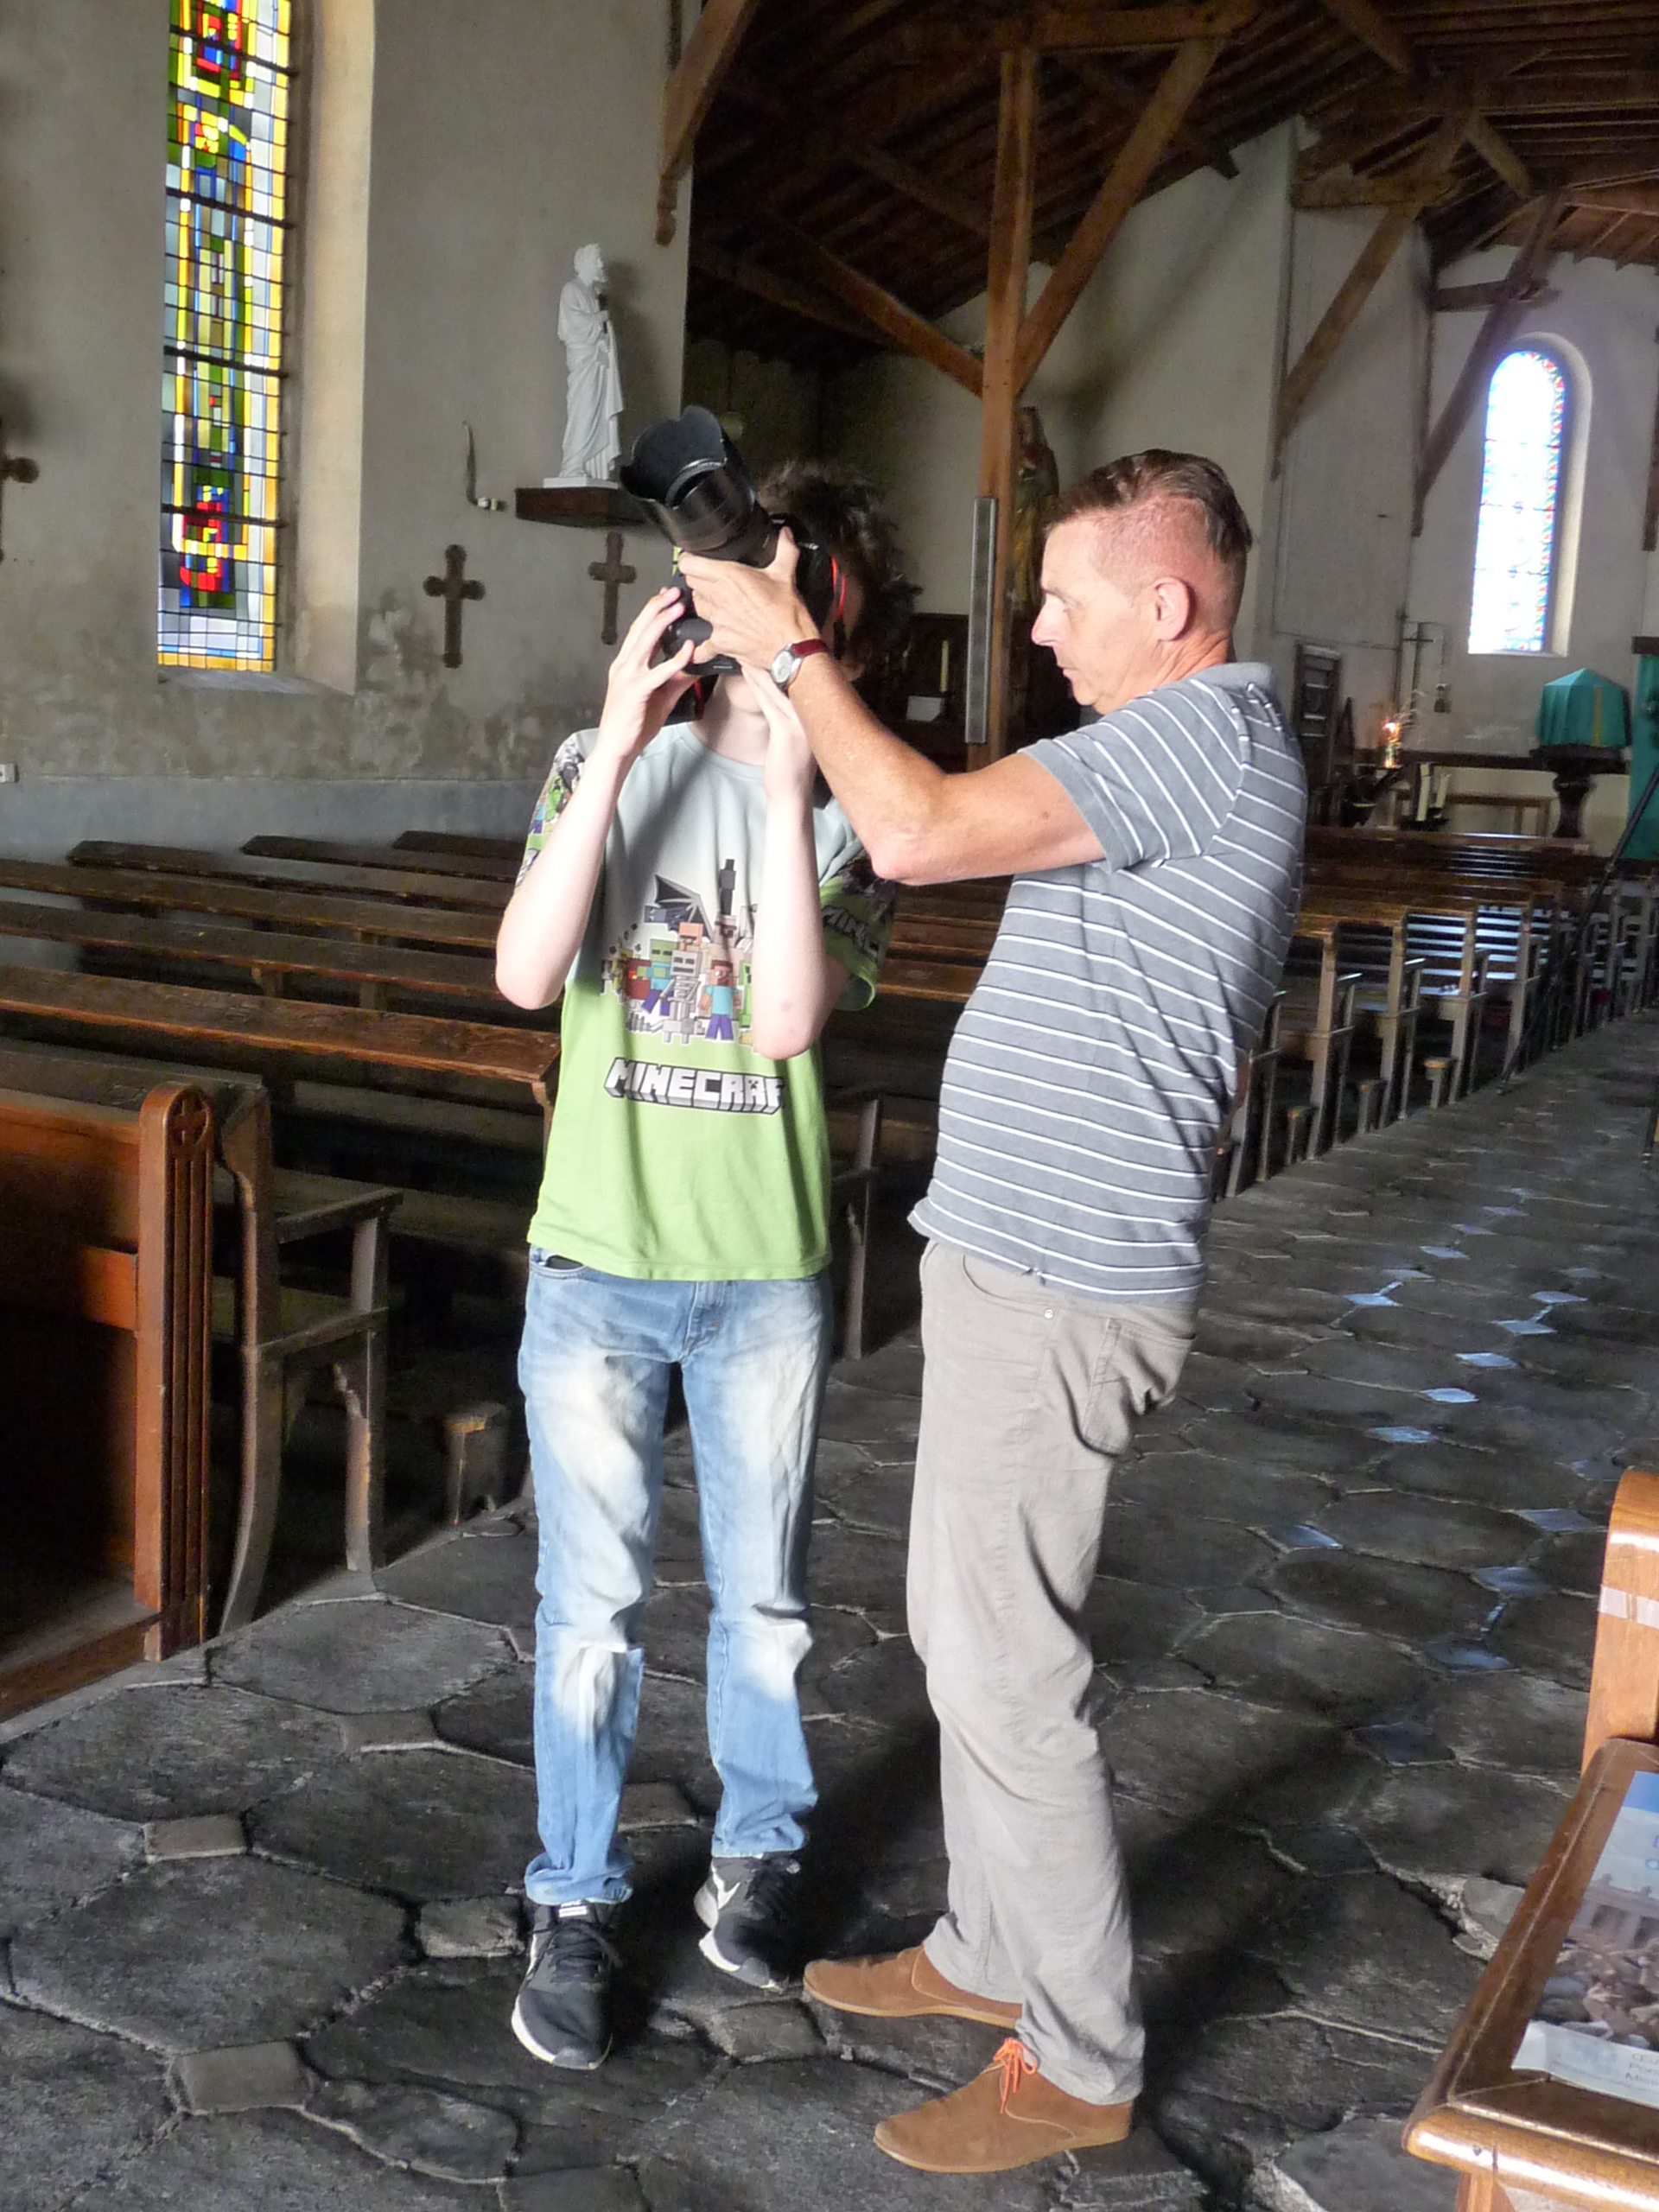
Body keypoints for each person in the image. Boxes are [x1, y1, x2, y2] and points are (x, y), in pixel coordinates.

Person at [679, 450, 1304, 2175]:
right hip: (1023, 1255)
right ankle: (986, 1948)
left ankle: (1082, 2055)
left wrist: (795, 651)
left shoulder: (1203, 731)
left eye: (1062, 596)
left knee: (1011, 1671)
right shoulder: (1167, 745)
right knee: (965, 1639)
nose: (1033, 628)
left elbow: (914, 831)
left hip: (1064, 1276)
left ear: (1167, 604)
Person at [495, 466, 912, 2073]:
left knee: (765, 1604)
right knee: (589, 1610)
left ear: (830, 618)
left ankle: (757, 1853)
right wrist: (618, 738)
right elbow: (527, 974)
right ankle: (573, 1895)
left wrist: (799, 769)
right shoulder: (600, 760)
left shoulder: (859, 812)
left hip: (758, 1269)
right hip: (599, 1254)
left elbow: (788, 1018)